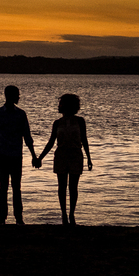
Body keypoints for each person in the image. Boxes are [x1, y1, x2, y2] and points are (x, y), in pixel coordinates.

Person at [0, 85, 40, 224]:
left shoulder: (20, 114)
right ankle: (3, 217)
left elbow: (27, 136)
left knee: (15, 186)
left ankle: (17, 217)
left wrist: (34, 155)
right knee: (4, 186)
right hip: (4, 155)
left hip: (15, 155)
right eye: (17, 95)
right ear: (9, 96)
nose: (19, 97)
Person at [36, 93, 92, 225]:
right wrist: (40, 158)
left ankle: (72, 214)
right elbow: (51, 142)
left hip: (76, 155)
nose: (59, 106)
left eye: (61, 103)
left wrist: (89, 158)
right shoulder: (57, 123)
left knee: (73, 186)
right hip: (60, 155)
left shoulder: (80, 121)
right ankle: (64, 215)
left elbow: (84, 140)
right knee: (62, 187)